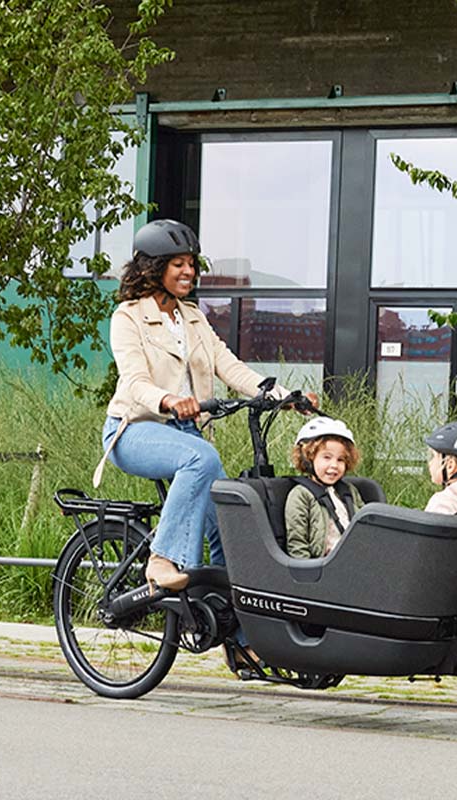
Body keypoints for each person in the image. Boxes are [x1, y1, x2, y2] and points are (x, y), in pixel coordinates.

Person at [93, 218, 302, 593]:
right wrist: (169, 399)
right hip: (134, 430)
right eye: (178, 264)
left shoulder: (193, 317)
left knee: (229, 525)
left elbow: (229, 366)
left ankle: (237, 640)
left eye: (191, 263)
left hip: (187, 435)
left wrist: (280, 395)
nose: (189, 271)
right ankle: (162, 559)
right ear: (153, 268)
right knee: (201, 458)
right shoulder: (128, 317)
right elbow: (135, 381)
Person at [285, 417, 364, 559]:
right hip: (324, 567)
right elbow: (297, 544)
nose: (334, 465)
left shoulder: (349, 491)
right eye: (327, 457)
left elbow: (366, 525)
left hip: (357, 558)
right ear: (309, 458)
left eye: (340, 460)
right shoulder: (301, 495)